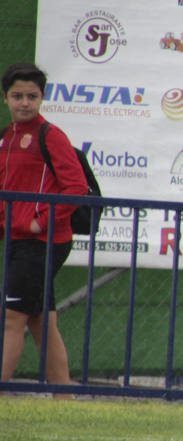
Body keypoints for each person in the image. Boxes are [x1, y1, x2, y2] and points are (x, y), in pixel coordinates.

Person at [0, 62, 86, 393]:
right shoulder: (6, 138)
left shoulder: (50, 135)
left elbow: (76, 187)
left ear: (42, 98)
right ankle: (64, 393)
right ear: (5, 97)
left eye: (32, 96)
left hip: (45, 242)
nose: (24, 103)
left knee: (12, 319)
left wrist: (41, 221)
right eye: (17, 96)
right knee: (41, 322)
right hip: (18, 241)